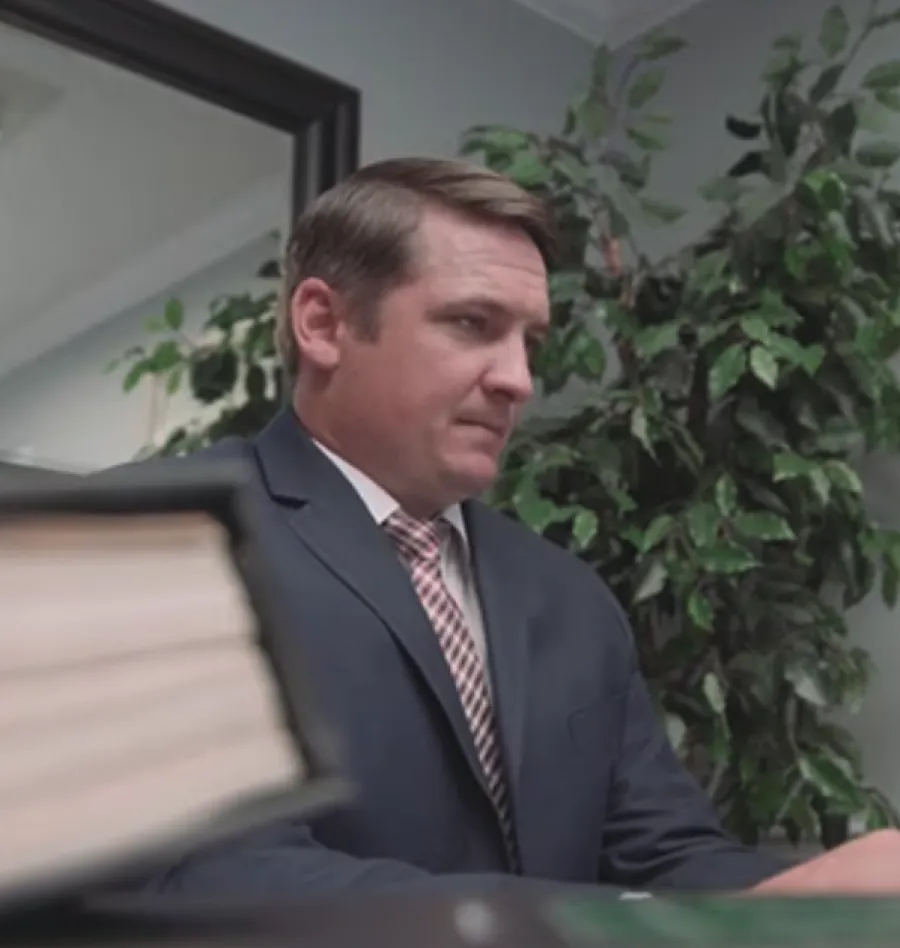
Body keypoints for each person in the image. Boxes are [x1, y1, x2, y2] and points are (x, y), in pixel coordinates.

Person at [137, 157, 797, 899]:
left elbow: (663, 850)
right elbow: (206, 870)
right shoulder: (160, 541)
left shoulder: (572, 597)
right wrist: (597, 923)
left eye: (531, 343)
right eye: (471, 324)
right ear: (323, 324)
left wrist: (818, 902)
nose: (518, 378)